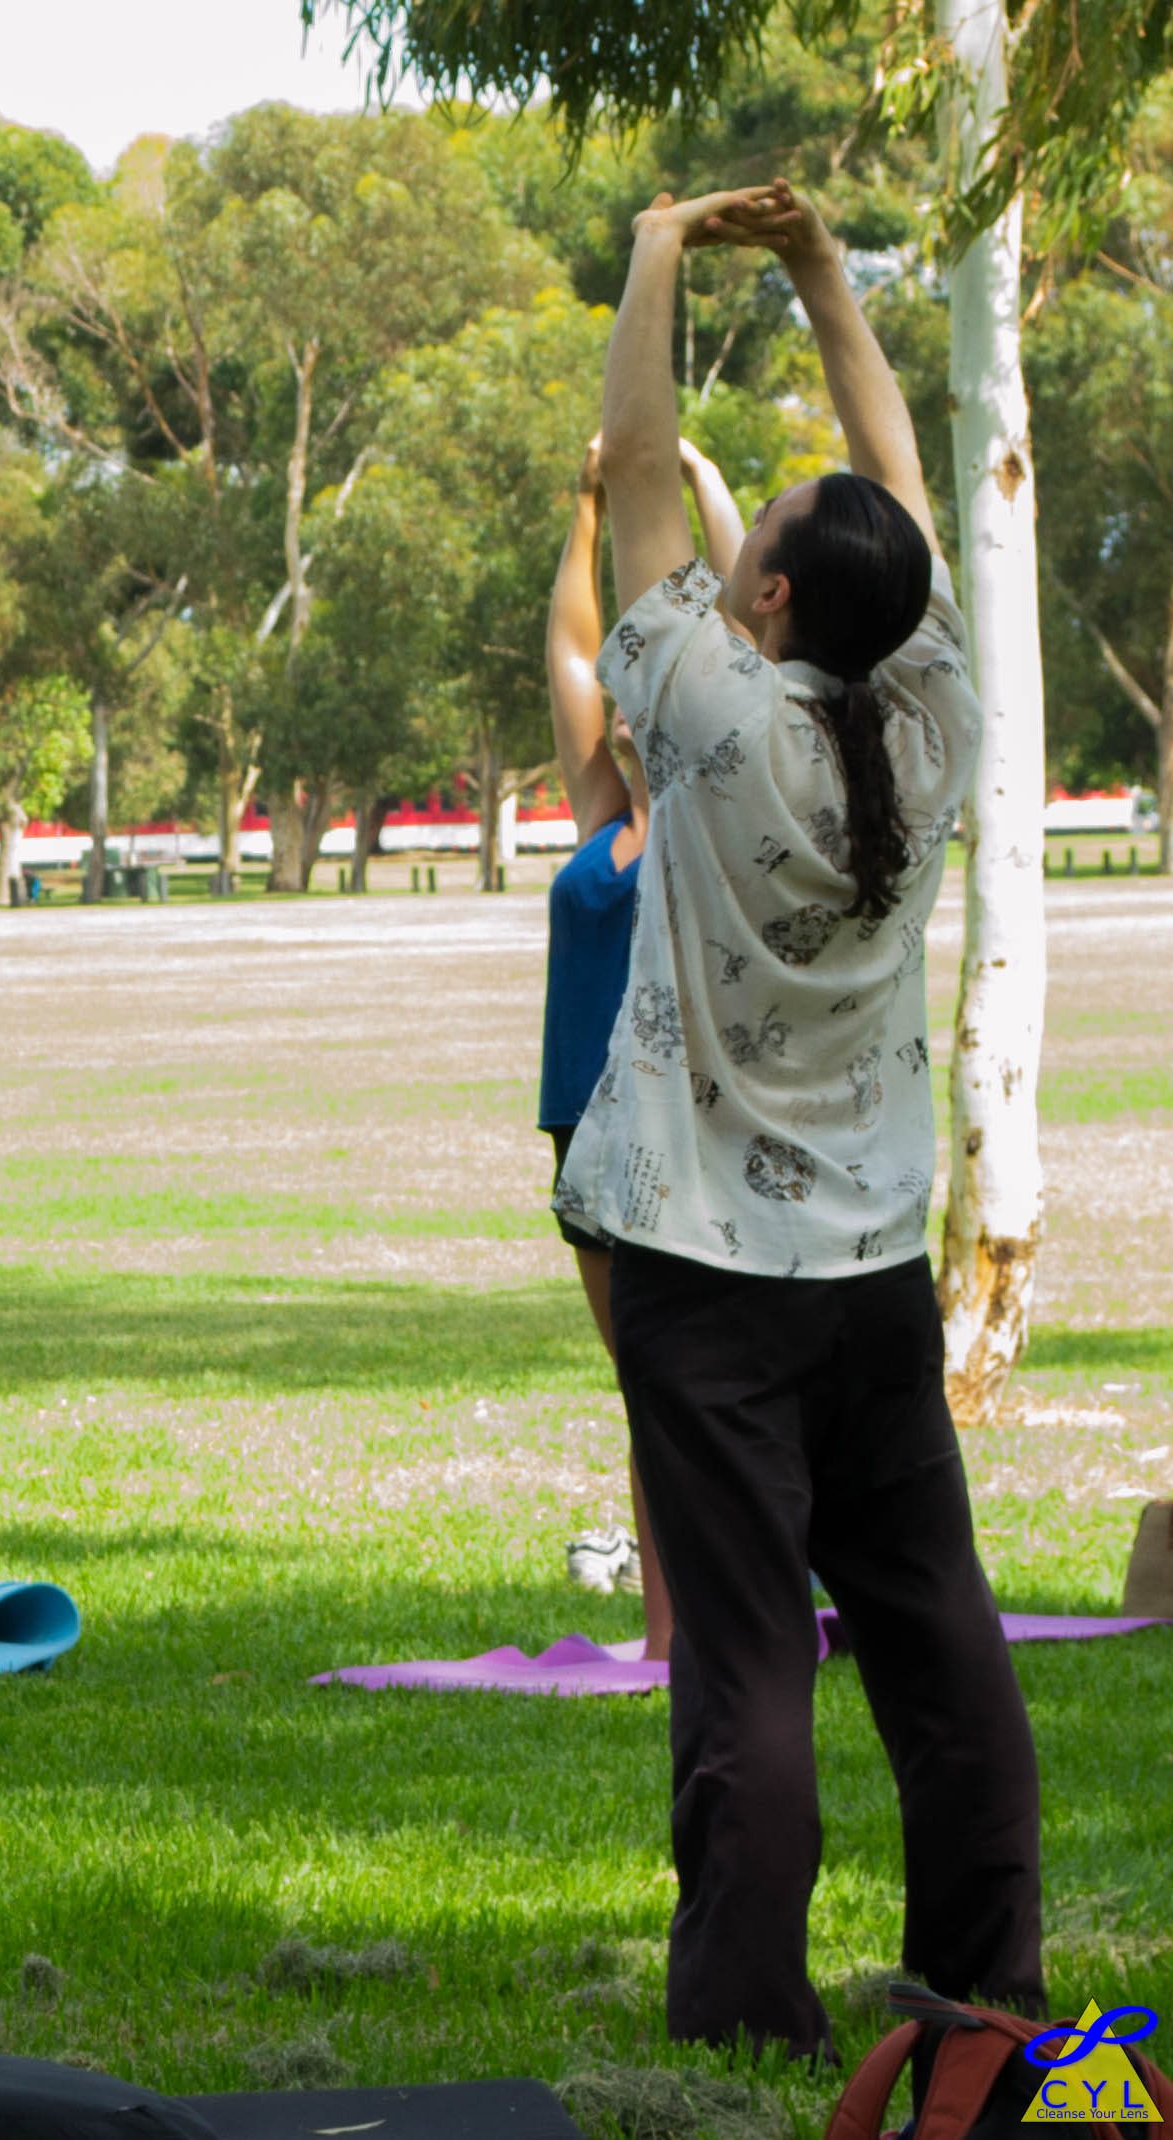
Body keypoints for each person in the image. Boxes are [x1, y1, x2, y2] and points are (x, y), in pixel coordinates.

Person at [564, 180, 1041, 2055]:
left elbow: (628, 465)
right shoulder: (928, 718)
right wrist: (836, 273)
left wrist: (662, 249)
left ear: (764, 599)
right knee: (935, 1629)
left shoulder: (703, 705)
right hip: (865, 1275)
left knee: (753, 1656)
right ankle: (987, 1985)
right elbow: (901, 486)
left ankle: (750, 2021)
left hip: (704, 1270)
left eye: (754, 537)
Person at [543, 432, 743, 1660]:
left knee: (692, 1389)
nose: (613, 695)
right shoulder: (605, 814)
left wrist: (699, 478)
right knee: (651, 1390)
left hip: (685, 1123)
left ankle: (701, 1633)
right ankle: (676, 1640)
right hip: (584, 1133)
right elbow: (569, 648)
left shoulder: (720, 815)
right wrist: (586, 503)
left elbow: (770, 634)